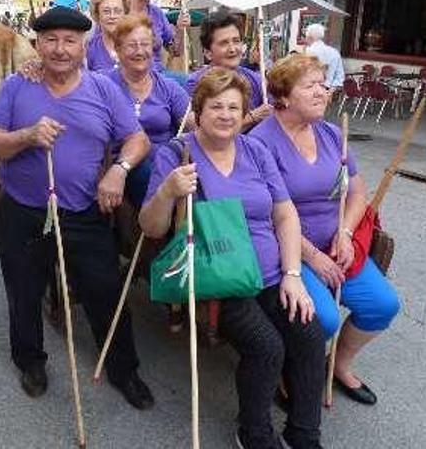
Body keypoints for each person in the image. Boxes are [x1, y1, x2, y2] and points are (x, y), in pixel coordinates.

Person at [0, 6, 155, 409]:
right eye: (51, 40)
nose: (60, 49)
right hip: (24, 211)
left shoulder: (103, 89)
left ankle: (123, 369)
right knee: (23, 291)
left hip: (84, 211)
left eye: (70, 40)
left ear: (84, 45)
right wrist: (25, 136)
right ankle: (30, 360)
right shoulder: (15, 87)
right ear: (37, 45)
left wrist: (119, 171)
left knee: (106, 291)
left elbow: (138, 139)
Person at [139, 67, 324, 449]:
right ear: (199, 111)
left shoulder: (255, 150)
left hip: (272, 274)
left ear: (244, 114)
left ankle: (304, 433)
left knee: (309, 333)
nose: (226, 115)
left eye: (234, 108)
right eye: (216, 107)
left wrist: (292, 274)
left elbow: (285, 214)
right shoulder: (176, 154)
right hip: (219, 278)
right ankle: (253, 433)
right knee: (267, 346)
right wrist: (168, 192)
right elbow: (151, 228)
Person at [249, 54, 400, 406]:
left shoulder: (334, 134)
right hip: (287, 248)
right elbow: (268, 215)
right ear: (283, 96)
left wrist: (345, 233)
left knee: (383, 304)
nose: (323, 92)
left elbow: (358, 192)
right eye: (310, 85)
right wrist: (314, 258)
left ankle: (338, 364)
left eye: (323, 84)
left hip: (336, 244)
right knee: (322, 320)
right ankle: (288, 370)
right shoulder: (260, 142)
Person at [105, 14, 189, 206]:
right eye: (132, 45)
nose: (140, 51)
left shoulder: (169, 87)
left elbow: (192, 122)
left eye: (145, 44)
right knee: (142, 171)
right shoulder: (103, 84)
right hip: (121, 164)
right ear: (117, 49)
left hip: (165, 163)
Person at [185, 11, 273, 128]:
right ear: (208, 53)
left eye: (236, 41)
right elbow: (199, 126)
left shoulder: (256, 79)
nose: (232, 49)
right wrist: (252, 117)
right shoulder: (196, 83)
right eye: (224, 43)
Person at [124, 0, 189, 73]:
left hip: (157, 76)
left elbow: (175, 51)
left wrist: (180, 28)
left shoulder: (157, 14)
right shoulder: (118, 12)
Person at [86, 0, 130, 72]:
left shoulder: (137, 45)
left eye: (117, 11)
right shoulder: (89, 48)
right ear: (97, 15)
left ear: (125, 14)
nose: (112, 16)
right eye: (106, 11)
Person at [304, 23, 344, 93]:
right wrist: (330, 90)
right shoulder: (334, 52)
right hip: (327, 90)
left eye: (306, 36)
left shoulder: (307, 52)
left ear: (309, 37)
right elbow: (340, 77)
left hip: (308, 90)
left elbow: (302, 73)